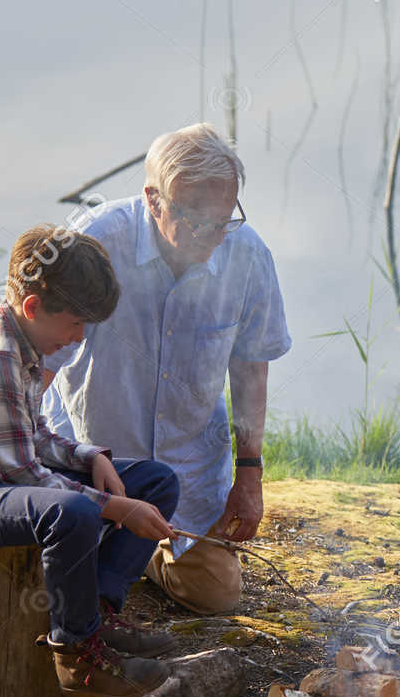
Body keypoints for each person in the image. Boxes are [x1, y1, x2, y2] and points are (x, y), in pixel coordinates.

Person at [0, 225, 181, 697]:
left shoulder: (25, 341)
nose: (78, 338)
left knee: (155, 482)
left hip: (3, 472)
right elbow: (23, 473)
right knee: (71, 513)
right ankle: (76, 655)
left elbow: (31, 436)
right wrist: (116, 509)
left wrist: (90, 456)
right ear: (33, 307)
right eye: (75, 324)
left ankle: (96, 611)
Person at [45, 124, 290, 616]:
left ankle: (149, 555)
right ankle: (120, 542)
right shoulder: (93, 245)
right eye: (194, 219)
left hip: (190, 474)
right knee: (55, 591)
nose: (211, 236)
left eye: (223, 219)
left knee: (216, 597)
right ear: (153, 201)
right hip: (96, 462)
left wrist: (249, 476)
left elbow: (250, 372)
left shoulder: (248, 255)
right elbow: (42, 361)